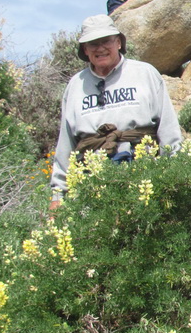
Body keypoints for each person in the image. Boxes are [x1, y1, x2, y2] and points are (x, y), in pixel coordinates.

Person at [49, 15, 182, 210]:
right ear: (85, 50)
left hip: (144, 173)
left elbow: (168, 129)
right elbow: (66, 142)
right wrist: (58, 194)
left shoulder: (145, 74)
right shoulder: (76, 85)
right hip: (92, 178)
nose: (100, 48)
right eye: (92, 43)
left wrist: (172, 177)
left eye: (106, 41)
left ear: (118, 42)